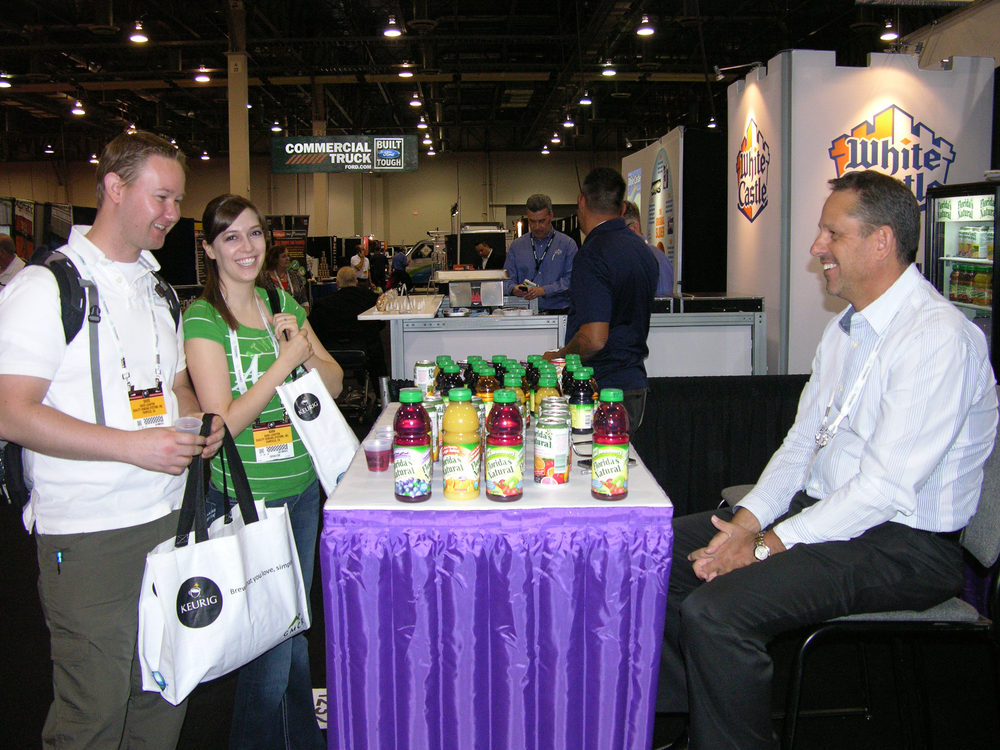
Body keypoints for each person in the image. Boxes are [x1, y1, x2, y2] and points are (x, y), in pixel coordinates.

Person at [657, 170, 998, 750]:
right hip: (836, 517)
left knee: (719, 613)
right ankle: (696, 721)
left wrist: (762, 547)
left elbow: (884, 491)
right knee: (658, 556)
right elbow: (800, 448)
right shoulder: (847, 331)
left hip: (904, 545)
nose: (817, 247)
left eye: (831, 233)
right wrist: (744, 524)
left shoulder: (938, 338)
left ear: (882, 241)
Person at [0, 130, 224, 750]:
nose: (172, 216)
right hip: (90, 532)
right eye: (162, 198)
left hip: (165, 517)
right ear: (114, 188)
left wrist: (191, 426)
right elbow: (10, 413)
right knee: (92, 710)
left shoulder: (157, 291)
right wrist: (130, 447)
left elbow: (175, 386)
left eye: (179, 202)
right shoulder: (46, 288)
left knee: (160, 693)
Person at [182, 194, 343, 750]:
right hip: (248, 501)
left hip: (301, 488)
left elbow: (337, 381)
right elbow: (222, 420)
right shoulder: (203, 318)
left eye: (253, 234)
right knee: (270, 658)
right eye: (230, 237)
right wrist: (283, 363)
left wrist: (300, 350)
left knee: (293, 632)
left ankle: (300, 739)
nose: (245, 247)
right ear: (209, 248)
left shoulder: (281, 302)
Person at [545, 169, 657, 433]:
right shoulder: (643, 251)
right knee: (617, 468)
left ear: (581, 202)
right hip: (634, 385)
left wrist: (558, 357)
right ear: (624, 207)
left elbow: (594, 338)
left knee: (597, 465)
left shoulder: (592, 253)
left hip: (601, 388)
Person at [309, 265, 387, 383]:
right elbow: (381, 324)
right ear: (355, 281)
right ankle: (381, 394)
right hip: (366, 350)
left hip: (331, 352)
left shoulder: (322, 304)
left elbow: (313, 329)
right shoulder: (370, 298)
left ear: (337, 283)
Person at [504, 193, 577, 313]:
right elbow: (507, 280)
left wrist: (544, 290)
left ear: (551, 216)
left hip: (558, 312)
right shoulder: (517, 246)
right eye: (532, 221)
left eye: (542, 221)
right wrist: (513, 289)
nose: (537, 227)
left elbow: (571, 280)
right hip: (524, 313)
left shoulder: (567, 245)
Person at [624, 200, 674, 297]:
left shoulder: (657, 258)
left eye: (622, 229)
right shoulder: (632, 256)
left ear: (635, 226)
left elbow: (663, 304)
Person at [261, 244, 309, 311]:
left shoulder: (295, 276)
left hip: (296, 316)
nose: (288, 259)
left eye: (288, 255)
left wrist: (303, 317)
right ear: (274, 259)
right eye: (284, 256)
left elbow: (304, 301)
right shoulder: (264, 279)